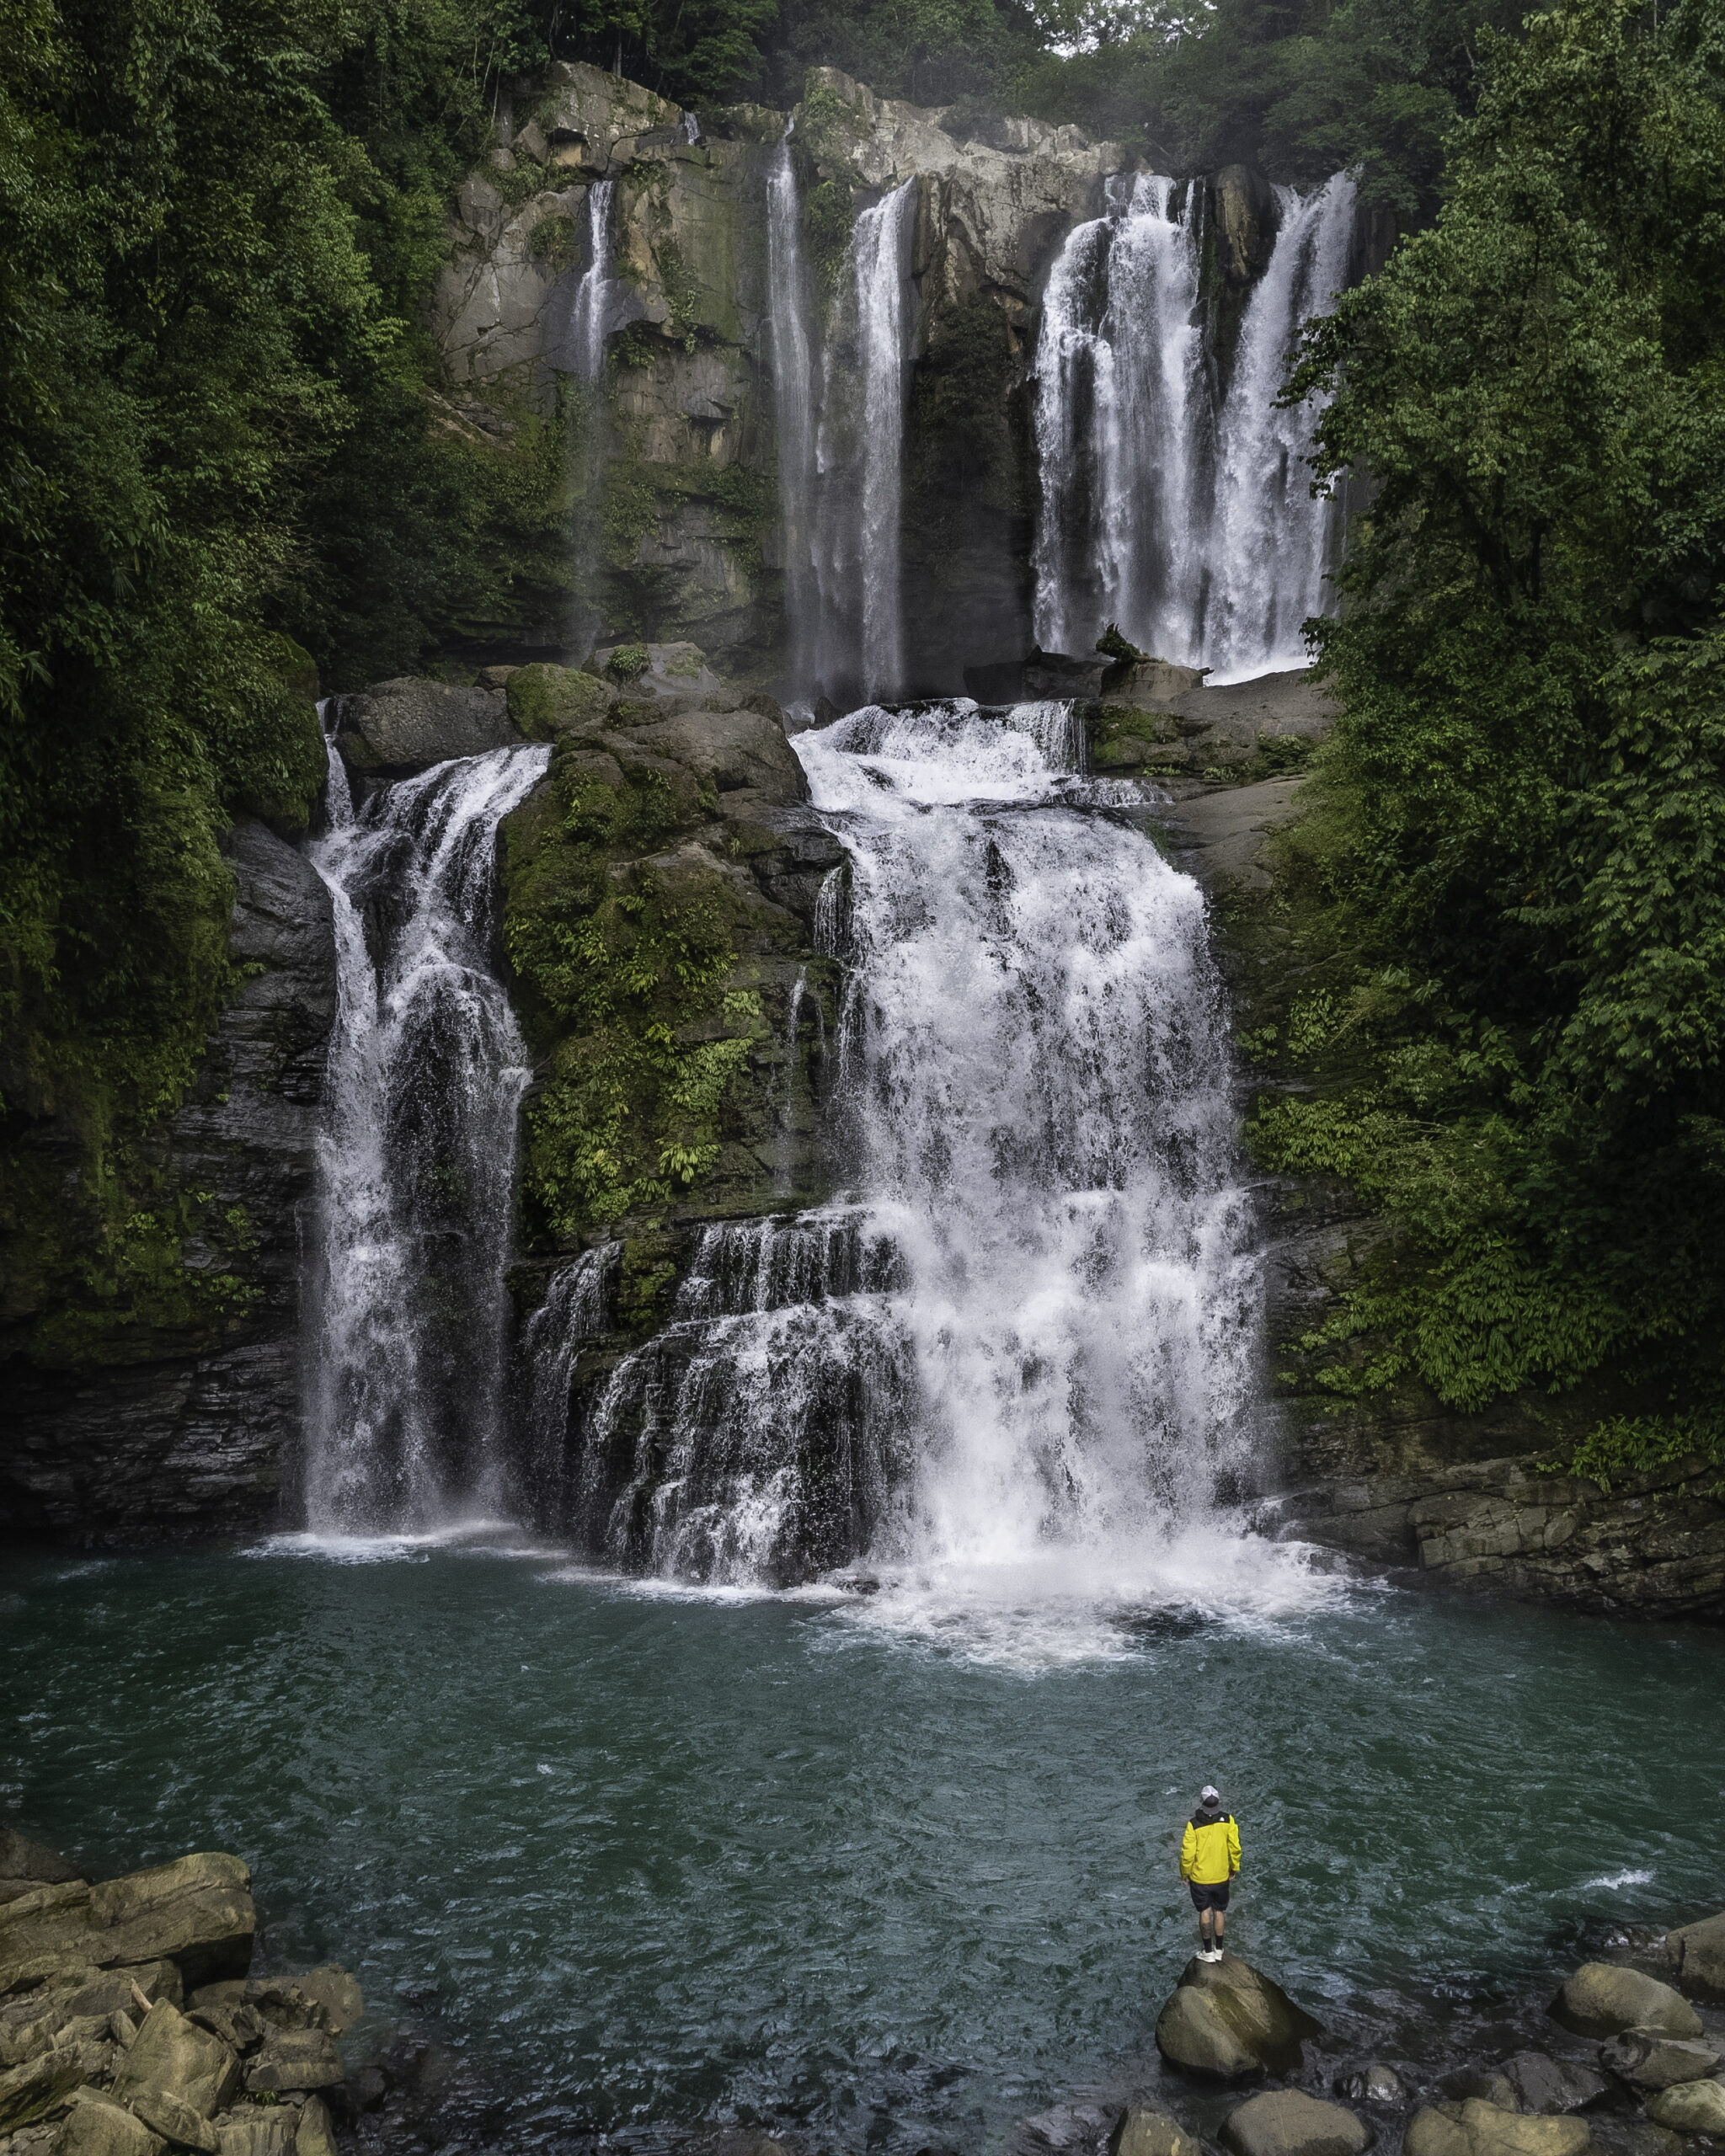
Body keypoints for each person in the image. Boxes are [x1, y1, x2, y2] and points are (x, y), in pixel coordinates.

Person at [1178, 1783, 1241, 1962]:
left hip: (1200, 1878)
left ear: (1201, 1802)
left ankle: (1207, 1952)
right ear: (1218, 1802)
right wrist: (1234, 1867)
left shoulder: (1193, 1824)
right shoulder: (1228, 1820)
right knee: (1219, 1911)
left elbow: (1187, 1854)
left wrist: (1185, 1872)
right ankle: (1219, 1949)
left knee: (1204, 1912)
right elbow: (1235, 1847)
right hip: (1221, 1876)